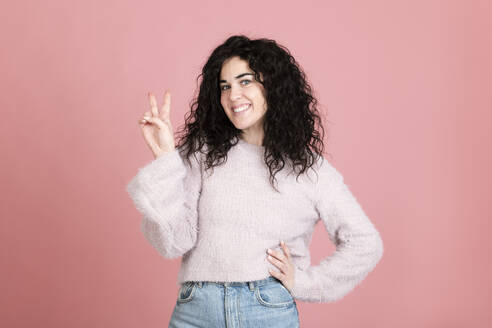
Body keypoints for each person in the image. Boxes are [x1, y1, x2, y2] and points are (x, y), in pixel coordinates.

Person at [126, 35, 384, 328]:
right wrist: (164, 160)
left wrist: (305, 283)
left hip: (266, 309)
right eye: (225, 86)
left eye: (245, 81)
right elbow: (172, 243)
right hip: (196, 309)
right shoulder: (202, 153)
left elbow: (365, 243)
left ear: (272, 86)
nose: (233, 95)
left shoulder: (308, 168)